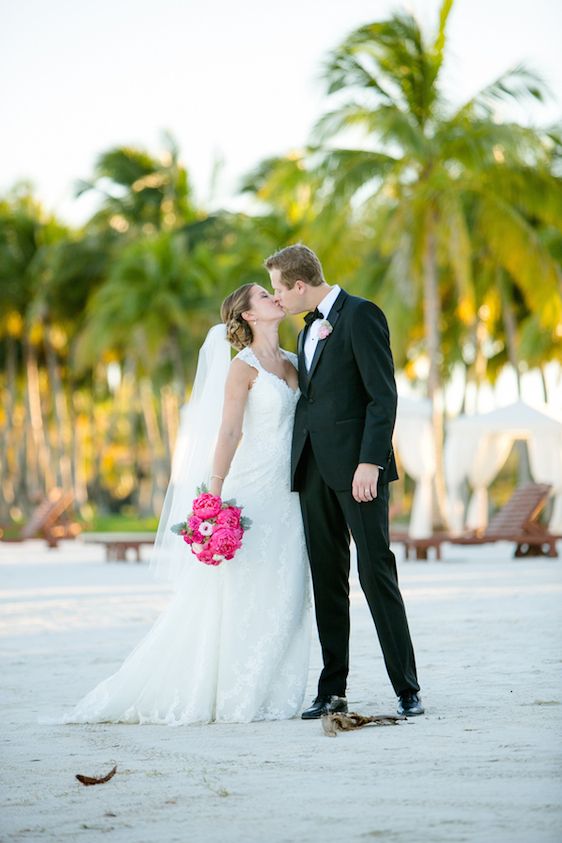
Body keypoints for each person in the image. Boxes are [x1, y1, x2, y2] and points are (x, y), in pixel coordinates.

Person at [55, 284, 311, 725]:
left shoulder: (294, 361)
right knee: (239, 590)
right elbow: (229, 432)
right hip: (253, 488)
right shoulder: (242, 368)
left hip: (293, 494)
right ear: (248, 316)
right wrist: (213, 493)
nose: (274, 297)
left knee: (286, 589)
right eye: (264, 296)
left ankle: (274, 689)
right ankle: (234, 691)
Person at [266, 244, 424, 719]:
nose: (277, 298)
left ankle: (407, 687)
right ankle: (332, 689)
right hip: (311, 470)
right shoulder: (306, 328)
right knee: (326, 581)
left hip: (359, 473)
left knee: (376, 573)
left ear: (299, 284)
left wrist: (370, 463)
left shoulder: (362, 315)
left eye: (278, 288)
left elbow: (383, 396)